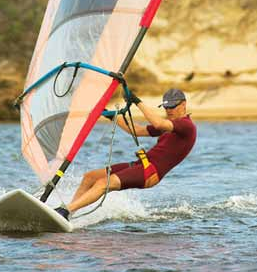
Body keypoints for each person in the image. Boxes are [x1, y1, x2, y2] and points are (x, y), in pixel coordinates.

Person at [55, 88, 197, 220]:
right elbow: (137, 130)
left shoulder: (186, 126)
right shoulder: (171, 125)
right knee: (90, 177)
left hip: (150, 172)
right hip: (140, 165)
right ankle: (68, 214)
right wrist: (110, 115)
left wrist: (136, 101)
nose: (169, 110)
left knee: (103, 183)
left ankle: (64, 211)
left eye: (173, 106)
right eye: (166, 107)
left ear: (184, 104)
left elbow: (158, 123)